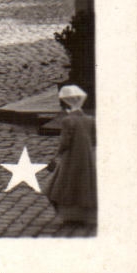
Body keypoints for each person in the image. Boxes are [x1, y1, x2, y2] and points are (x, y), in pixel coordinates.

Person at [45, 84, 96, 225]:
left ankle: (68, 215)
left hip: (71, 158)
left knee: (62, 184)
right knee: (84, 183)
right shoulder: (90, 120)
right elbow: (93, 140)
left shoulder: (68, 121)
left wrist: (56, 155)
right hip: (86, 157)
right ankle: (84, 215)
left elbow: (65, 142)